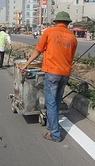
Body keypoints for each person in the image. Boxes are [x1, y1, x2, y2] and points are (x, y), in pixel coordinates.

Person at [20, 11, 78, 142]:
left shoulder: (49, 32)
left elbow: (38, 50)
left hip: (52, 73)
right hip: (65, 74)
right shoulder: (73, 38)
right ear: (67, 23)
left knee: (51, 104)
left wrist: (26, 64)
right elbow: (70, 57)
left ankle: (55, 134)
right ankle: (51, 125)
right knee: (56, 102)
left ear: (56, 22)